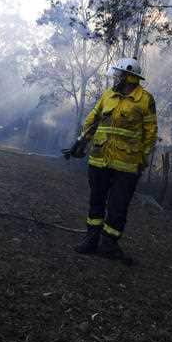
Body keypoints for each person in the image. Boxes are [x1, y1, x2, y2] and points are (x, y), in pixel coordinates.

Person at [63, 57, 158, 259]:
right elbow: (92, 121)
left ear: (129, 77)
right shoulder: (108, 95)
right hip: (99, 159)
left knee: (118, 206)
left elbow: (150, 133)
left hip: (127, 164)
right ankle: (91, 240)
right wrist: (80, 143)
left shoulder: (146, 100)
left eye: (119, 74)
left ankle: (109, 245)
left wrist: (142, 159)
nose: (115, 77)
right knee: (96, 201)